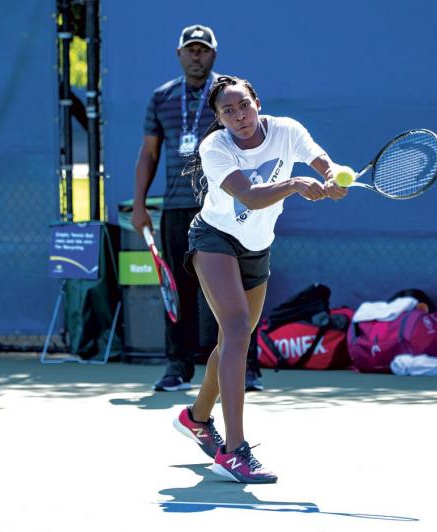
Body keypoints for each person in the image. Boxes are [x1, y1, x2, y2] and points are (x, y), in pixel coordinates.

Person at [173, 75, 348, 483]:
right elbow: (249, 196)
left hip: (257, 247)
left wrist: (333, 174)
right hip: (214, 238)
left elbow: (321, 161)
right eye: (228, 112)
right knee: (236, 332)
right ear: (219, 118)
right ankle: (234, 451)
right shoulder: (215, 147)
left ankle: (197, 418)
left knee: (234, 339)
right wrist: (297, 184)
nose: (239, 117)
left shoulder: (287, 131)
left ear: (257, 102)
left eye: (244, 106)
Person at [131, 25, 264, 392]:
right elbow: (148, 154)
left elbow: (252, 141)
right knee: (179, 287)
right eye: (190, 50)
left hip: (223, 208)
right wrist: (139, 205)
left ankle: (246, 367)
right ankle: (178, 367)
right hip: (176, 209)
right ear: (179, 55)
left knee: (236, 290)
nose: (196, 56)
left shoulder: (231, 97)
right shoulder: (162, 98)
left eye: (203, 50)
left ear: (214, 55)